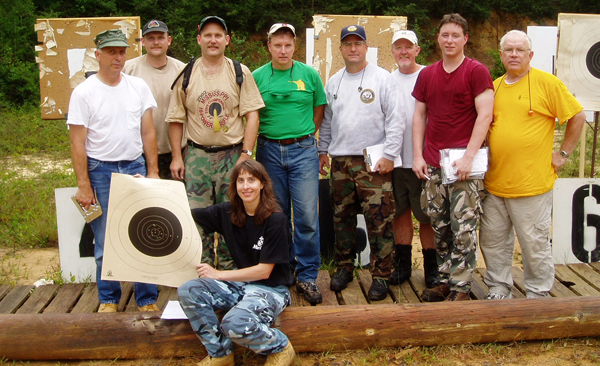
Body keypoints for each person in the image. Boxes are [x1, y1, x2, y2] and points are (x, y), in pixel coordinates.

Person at [480, 30, 585, 300]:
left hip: (532, 184)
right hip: (494, 183)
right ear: (501, 54)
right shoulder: (495, 86)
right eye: (509, 50)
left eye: (520, 50)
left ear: (531, 55)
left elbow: (577, 116)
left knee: (534, 244)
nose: (514, 54)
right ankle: (498, 287)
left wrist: (562, 154)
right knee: (493, 242)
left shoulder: (547, 83)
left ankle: (538, 293)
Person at [67, 29, 160, 312]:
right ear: (97, 55)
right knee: (105, 239)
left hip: (134, 166)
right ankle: (108, 298)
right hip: (100, 170)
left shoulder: (138, 87)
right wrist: (84, 184)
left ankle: (147, 299)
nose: (117, 57)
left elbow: (148, 133)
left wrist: (153, 171)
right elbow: (77, 141)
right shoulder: (83, 92)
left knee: (144, 234)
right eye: (111, 52)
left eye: (121, 52)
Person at [166, 16, 265, 270]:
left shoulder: (239, 72)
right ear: (199, 39)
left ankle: (232, 272)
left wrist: (247, 152)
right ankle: (201, 273)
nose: (213, 40)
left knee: (235, 214)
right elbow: (176, 119)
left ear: (227, 40)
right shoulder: (187, 74)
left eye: (218, 35)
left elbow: (252, 114)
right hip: (197, 157)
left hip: (232, 156)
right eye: (207, 35)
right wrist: (177, 156)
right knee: (197, 217)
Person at [178, 159, 295, 366]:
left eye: (251, 180)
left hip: (271, 289)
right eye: (240, 181)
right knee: (189, 290)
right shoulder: (227, 212)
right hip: (241, 284)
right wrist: (153, 191)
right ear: (235, 186)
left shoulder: (276, 219)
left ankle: (281, 347)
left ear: (262, 184)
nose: (246, 186)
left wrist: (218, 274)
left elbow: (264, 272)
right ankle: (221, 353)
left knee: (233, 324)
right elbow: (184, 212)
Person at [318, 25, 404, 301]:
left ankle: (381, 276)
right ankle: (344, 268)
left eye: (358, 43)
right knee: (341, 219)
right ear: (341, 48)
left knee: (379, 220)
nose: (353, 48)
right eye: (347, 44)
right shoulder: (334, 81)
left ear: (367, 47)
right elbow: (328, 121)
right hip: (341, 161)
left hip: (373, 162)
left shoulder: (383, 78)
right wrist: (323, 151)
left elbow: (395, 119)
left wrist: (390, 155)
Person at [412, 13, 494, 302]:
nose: (449, 40)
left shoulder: (476, 71)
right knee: (441, 226)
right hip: (434, 165)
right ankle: (446, 279)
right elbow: (420, 115)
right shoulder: (427, 74)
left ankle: (462, 286)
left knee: (464, 228)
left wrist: (470, 157)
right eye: (445, 35)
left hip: (463, 166)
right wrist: (418, 156)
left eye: (455, 36)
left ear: (465, 39)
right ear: (438, 38)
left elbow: (485, 115)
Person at [252, 23, 326, 305]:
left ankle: (307, 275)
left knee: (307, 216)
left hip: (303, 150)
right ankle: (282, 269)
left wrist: (305, 135)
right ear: (269, 46)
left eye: (288, 45)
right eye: (277, 45)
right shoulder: (257, 76)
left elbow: (318, 109)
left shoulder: (309, 75)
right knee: (276, 215)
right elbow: (251, 114)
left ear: (295, 47)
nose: (283, 50)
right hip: (269, 150)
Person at [389, 30, 439, 288]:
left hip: (426, 159)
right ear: (393, 52)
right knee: (400, 212)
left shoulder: (430, 74)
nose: (403, 52)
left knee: (427, 215)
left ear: (417, 50)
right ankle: (403, 264)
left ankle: (432, 266)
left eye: (408, 47)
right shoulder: (386, 80)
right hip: (396, 160)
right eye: (399, 47)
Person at [123, 19, 185, 179]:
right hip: (140, 152)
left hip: (177, 150)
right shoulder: (128, 70)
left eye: (160, 37)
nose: (156, 42)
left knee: (174, 200)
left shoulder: (183, 70)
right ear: (143, 41)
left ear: (169, 40)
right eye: (150, 38)